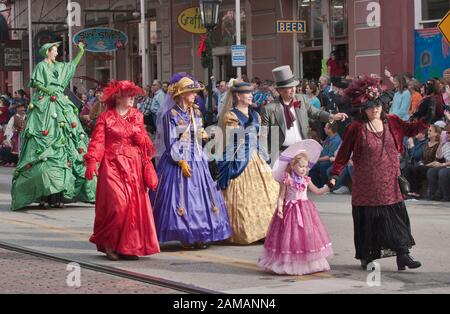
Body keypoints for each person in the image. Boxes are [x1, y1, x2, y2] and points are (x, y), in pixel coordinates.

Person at [329, 76, 428, 271]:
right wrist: (334, 174)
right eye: (370, 106)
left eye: (378, 105)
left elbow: (411, 129)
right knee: (368, 223)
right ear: (363, 108)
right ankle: (367, 257)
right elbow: (343, 153)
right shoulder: (356, 128)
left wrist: (426, 117)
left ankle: (403, 255)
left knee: (396, 221)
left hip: (390, 182)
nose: (375, 109)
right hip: (366, 185)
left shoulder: (392, 121)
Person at [10, 42, 96, 210]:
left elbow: (72, 65)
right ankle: (43, 195)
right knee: (44, 148)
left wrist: (81, 51)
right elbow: (35, 83)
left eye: (57, 50)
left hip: (60, 103)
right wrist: (47, 91)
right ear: (47, 52)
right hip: (45, 104)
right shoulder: (41, 66)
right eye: (55, 50)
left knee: (68, 143)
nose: (57, 53)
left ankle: (60, 196)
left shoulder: (59, 66)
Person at [151, 73, 232, 249]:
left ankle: (200, 233)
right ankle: (185, 235)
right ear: (180, 94)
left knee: (202, 196)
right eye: (191, 92)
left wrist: (202, 135)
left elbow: (197, 131)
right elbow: (170, 140)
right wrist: (180, 161)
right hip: (178, 158)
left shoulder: (195, 111)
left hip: (197, 157)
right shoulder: (169, 115)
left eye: (195, 91)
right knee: (182, 197)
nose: (195, 94)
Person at [84, 80, 160, 261]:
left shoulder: (137, 116)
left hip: (133, 166)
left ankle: (128, 246)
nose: (133, 99)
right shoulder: (106, 117)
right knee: (117, 205)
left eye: (134, 95)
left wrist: (141, 138)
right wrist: (93, 160)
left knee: (132, 208)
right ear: (118, 97)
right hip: (112, 165)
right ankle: (110, 244)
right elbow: (98, 141)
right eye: (129, 95)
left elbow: (147, 145)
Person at [217, 80, 279, 244]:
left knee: (269, 191)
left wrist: (264, 154)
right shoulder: (231, 115)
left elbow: (259, 137)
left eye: (252, 92)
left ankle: (265, 230)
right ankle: (244, 231)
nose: (251, 96)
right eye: (248, 93)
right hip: (240, 155)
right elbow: (234, 138)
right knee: (241, 194)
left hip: (256, 155)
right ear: (238, 95)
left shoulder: (255, 114)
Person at [258, 140, 333, 275]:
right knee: (288, 236)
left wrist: (328, 187)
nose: (304, 169)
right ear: (293, 166)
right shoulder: (287, 179)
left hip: (305, 210)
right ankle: (288, 262)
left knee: (305, 236)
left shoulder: (306, 180)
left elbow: (317, 191)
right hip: (289, 210)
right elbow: (281, 196)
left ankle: (308, 262)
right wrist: (280, 208)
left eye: (306, 166)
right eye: (301, 166)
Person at [261, 66, 348, 158]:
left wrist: (333, 116)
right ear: (279, 90)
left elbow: (316, 113)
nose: (293, 89)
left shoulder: (301, 99)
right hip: (281, 154)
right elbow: (263, 135)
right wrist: (267, 156)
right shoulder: (269, 109)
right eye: (289, 87)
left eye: (293, 86)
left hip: (302, 152)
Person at [403, 125, 440, 198]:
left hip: (433, 165)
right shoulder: (426, 144)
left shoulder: (438, 144)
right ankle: (409, 191)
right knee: (409, 167)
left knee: (419, 168)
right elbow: (422, 157)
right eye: (428, 130)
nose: (428, 132)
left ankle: (416, 192)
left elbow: (437, 159)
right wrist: (421, 162)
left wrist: (424, 164)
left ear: (436, 134)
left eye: (430, 131)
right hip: (424, 165)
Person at [309, 122, 342, 187]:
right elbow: (322, 149)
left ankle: (324, 185)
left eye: (325, 127)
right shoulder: (328, 138)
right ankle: (318, 186)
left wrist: (317, 159)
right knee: (311, 166)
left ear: (330, 130)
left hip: (331, 160)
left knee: (323, 165)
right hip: (323, 159)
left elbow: (330, 156)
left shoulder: (336, 140)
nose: (324, 129)